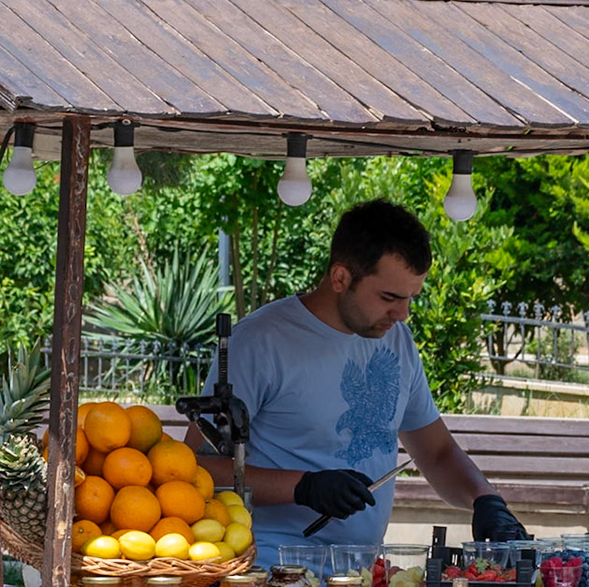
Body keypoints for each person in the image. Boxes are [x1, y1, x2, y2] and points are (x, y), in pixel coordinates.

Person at [191, 199, 528, 560]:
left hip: (362, 576)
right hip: (272, 573)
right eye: (389, 297)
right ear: (340, 278)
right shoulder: (261, 341)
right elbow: (198, 466)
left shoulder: (397, 342)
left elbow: (436, 452)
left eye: (411, 298)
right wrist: (303, 487)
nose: (402, 314)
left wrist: (486, 500)